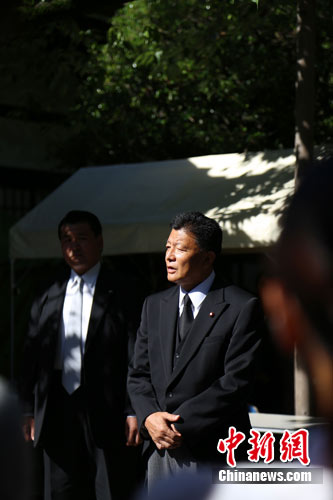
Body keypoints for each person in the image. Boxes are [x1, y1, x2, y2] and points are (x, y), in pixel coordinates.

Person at [128, 211, 262, 486]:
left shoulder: (241, 306)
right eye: (168, 247)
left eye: (180, 248)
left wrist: (177, 424)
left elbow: (237, 381)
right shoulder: (154, 305)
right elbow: (138, 373)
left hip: (214, 450)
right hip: (159, 449)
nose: (169, 256)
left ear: (208, 258)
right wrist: (150, 417)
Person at [19, 210, 141, 500]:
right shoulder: (47, 290)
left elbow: (136, 350)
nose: (74, 246)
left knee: (109, 487)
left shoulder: (124, 289)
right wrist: (27, 408)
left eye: (82, 239)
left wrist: (133, 408)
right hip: (57, 403)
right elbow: (30, 353)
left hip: (107, 404)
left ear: (99, 242)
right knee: (59, 488)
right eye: (66, 240)